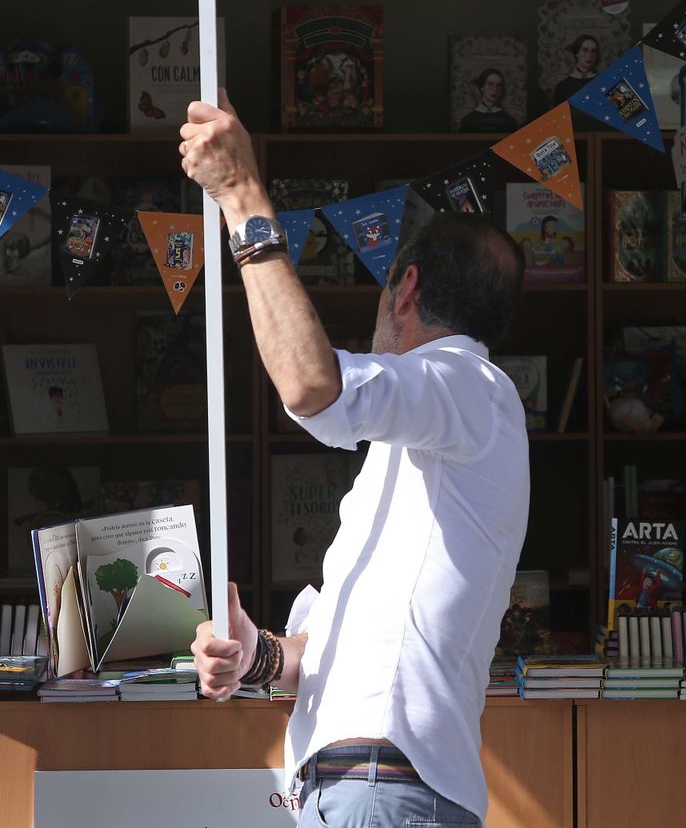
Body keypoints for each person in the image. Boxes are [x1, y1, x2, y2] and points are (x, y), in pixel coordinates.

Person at [181, 92, 528, 828]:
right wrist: (256, 657)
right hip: (359, 784)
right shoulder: (439, 432)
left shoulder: (468, 385)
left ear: (405, 290)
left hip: (383, 785)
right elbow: (338, 655)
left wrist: (242, 196)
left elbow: (310, 387)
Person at [457, 67, 518, 135]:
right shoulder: (468, 121)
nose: (495, 89)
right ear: (482, 87)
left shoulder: (509, 121)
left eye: (499, 85)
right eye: (490, 84)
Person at [552, 34, 601, 104]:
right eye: (585, 50)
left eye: (593, 51)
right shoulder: (562, 87)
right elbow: (558, 114)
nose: (589, 55)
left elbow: (620, 109)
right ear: (576, 53)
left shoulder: (605, 82)